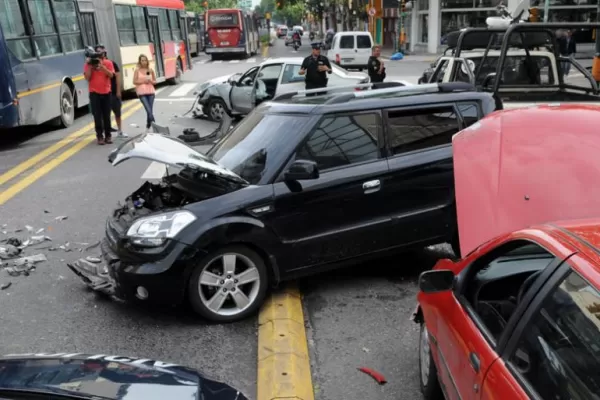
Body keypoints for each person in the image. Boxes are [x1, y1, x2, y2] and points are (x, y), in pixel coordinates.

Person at [84, 44, 115, 145]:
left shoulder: (108, 63)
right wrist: (90, 66)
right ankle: (99, 136)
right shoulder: (88, 65)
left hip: (106, 92)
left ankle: (108, 136)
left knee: (106, 115)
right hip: (94, 93)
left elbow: (111, 75)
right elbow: (87, 78)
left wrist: (102, 67)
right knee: (97, 116)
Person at [95, 45, 127, 138]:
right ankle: (105, 132)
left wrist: (118, 91)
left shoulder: (111, 63)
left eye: (102, 52)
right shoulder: (94, 65)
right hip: (101, 94)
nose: (101, 54)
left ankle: (120, 130)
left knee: (117, 113)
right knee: (103, 114)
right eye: (98, 52)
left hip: (112, 92)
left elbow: (117, 77)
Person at [133, 54, 157, 133]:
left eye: (145, 60)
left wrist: (150, 81)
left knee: (150, 110)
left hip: (150, 92)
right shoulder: (137, 70)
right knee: (148, 110)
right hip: (142, 93)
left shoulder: (150, 70)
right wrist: (143, 81)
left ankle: (148, 125)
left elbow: (155, 81)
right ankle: (156, 128)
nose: (144, 62)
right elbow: (134, 81)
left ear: (147, 61)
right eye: (142, 60)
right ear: (139, 61)